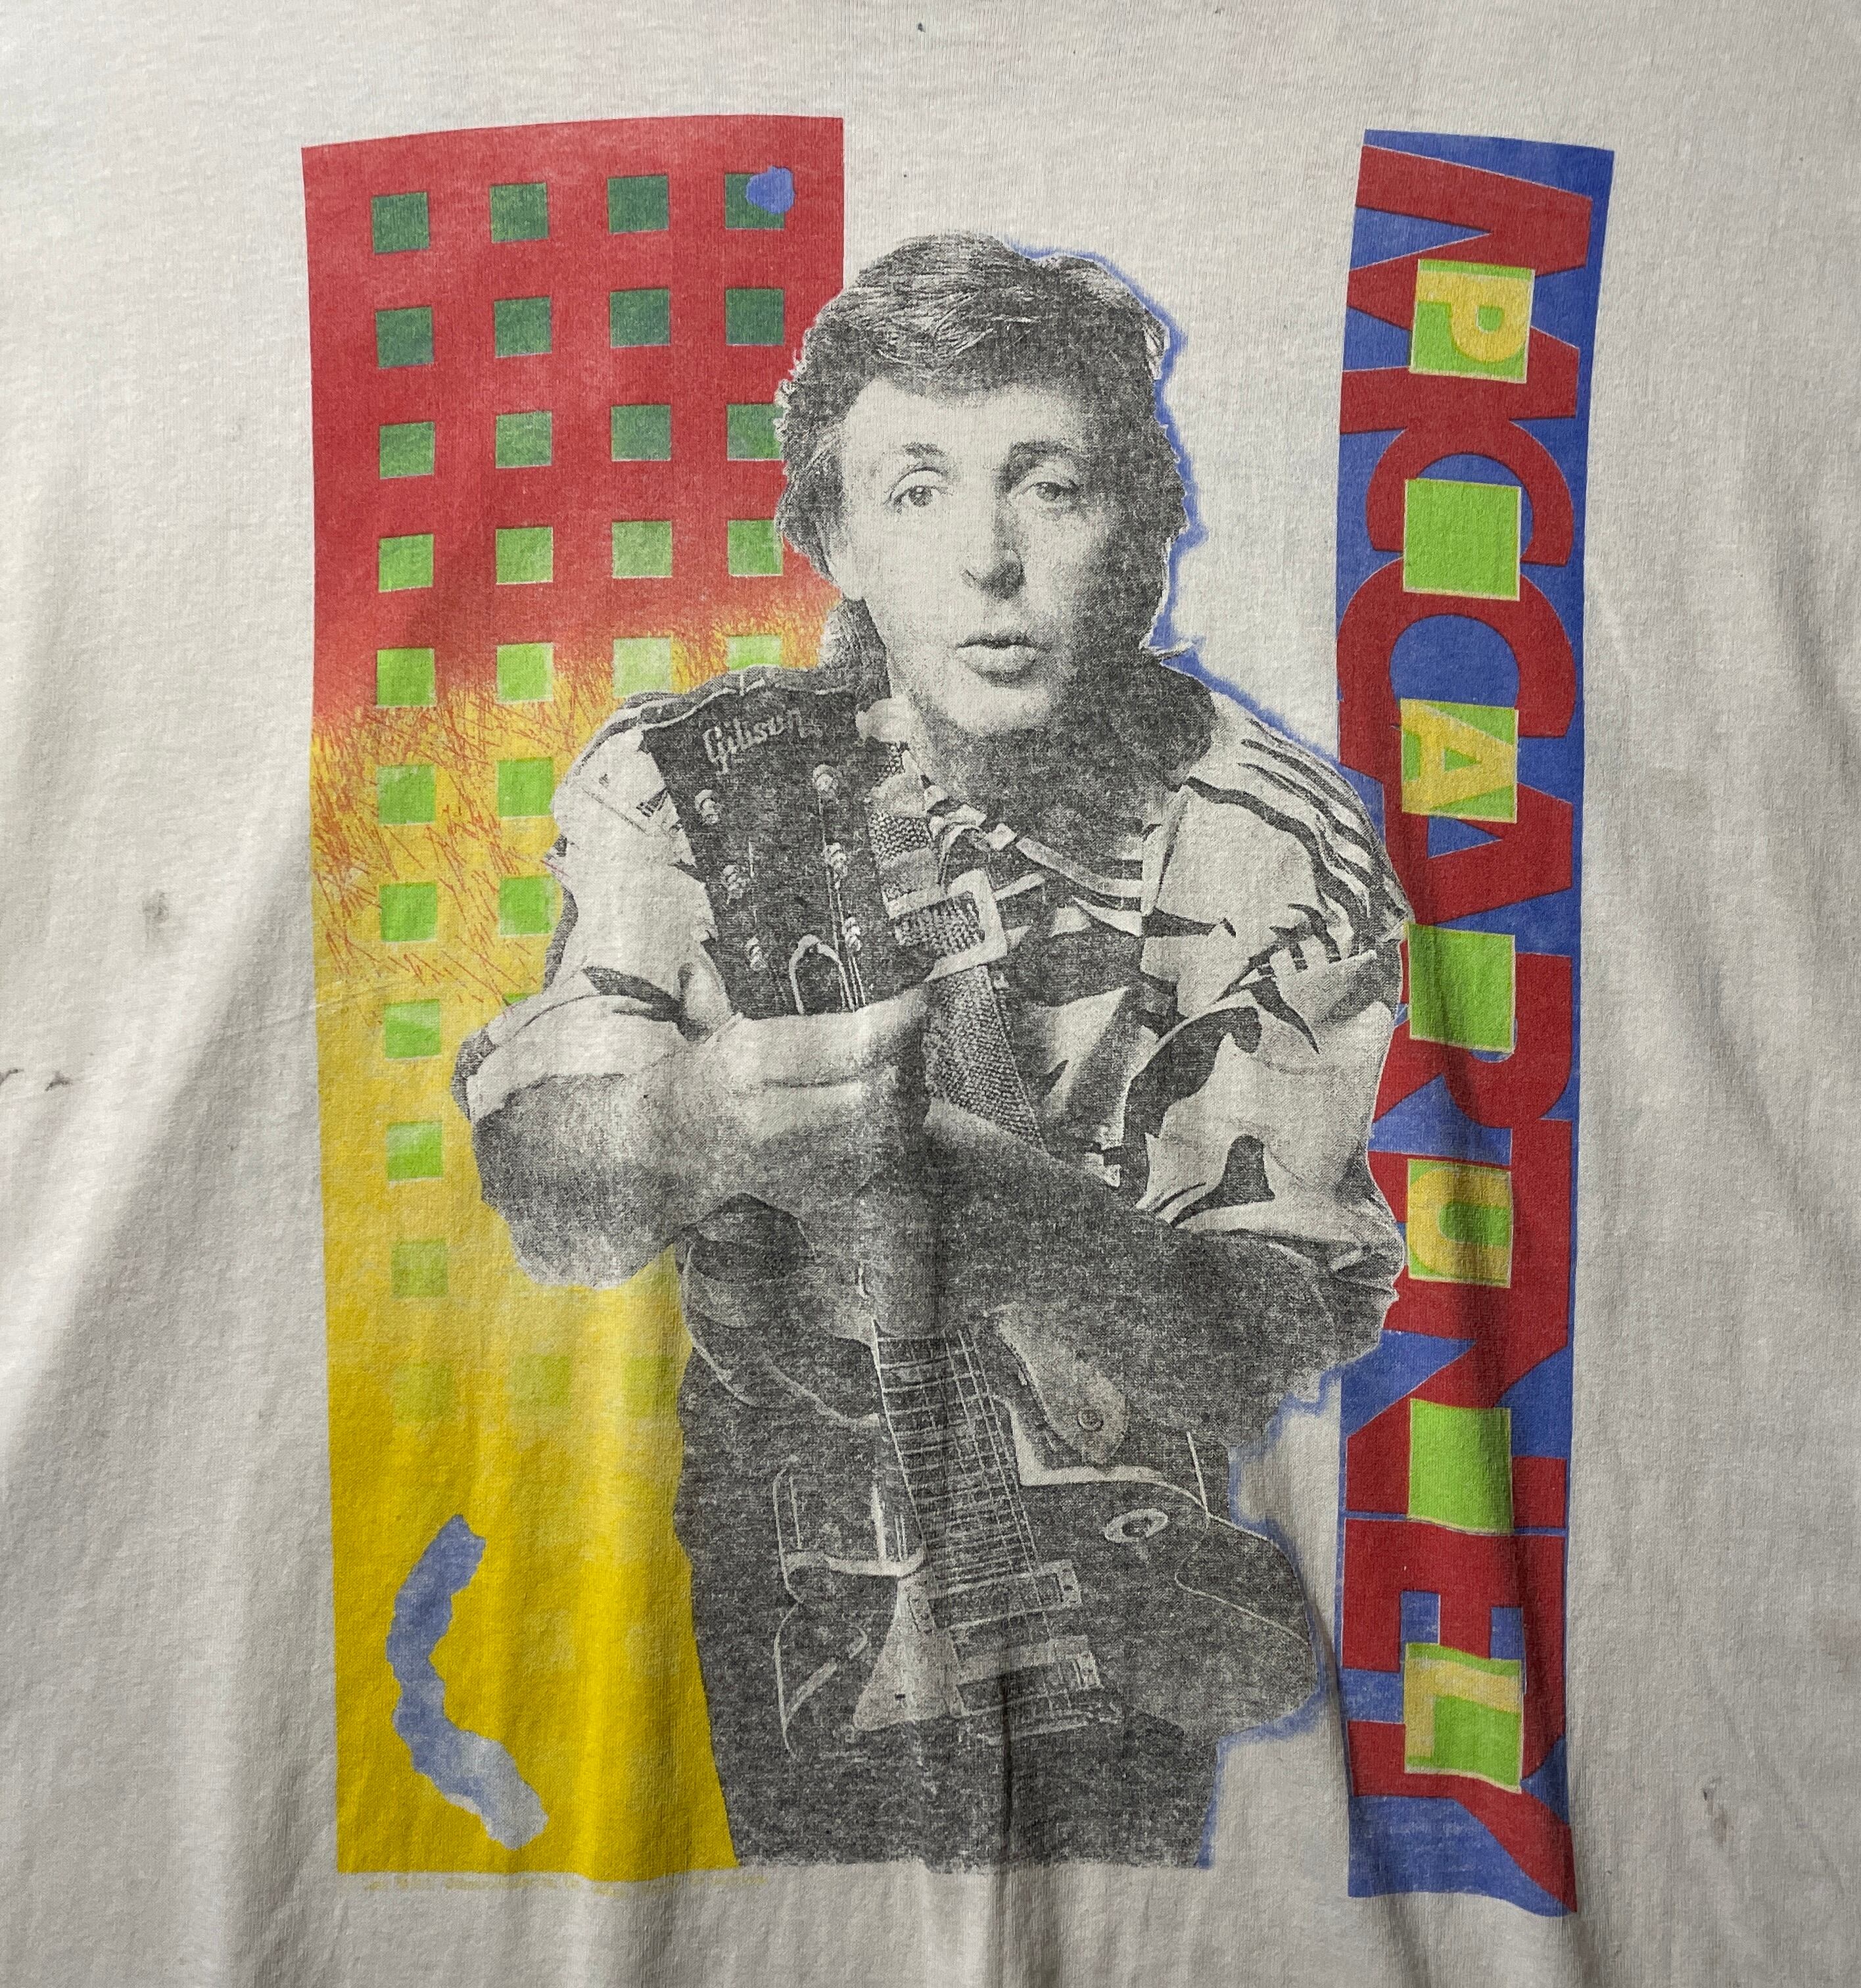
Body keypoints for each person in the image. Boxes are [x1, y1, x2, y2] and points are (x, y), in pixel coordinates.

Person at [454, 233, 1411, 1868]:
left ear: (1148, 527)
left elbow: (1261, 1341)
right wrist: (694, 1122)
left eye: (1053, 487)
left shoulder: (1275, 839)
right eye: (917, 490)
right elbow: (551, 1199)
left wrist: (986, 1197)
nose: (988, 561)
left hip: (1136, 1630)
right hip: (797, 1589)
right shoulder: (692, 779)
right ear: (833, 535)